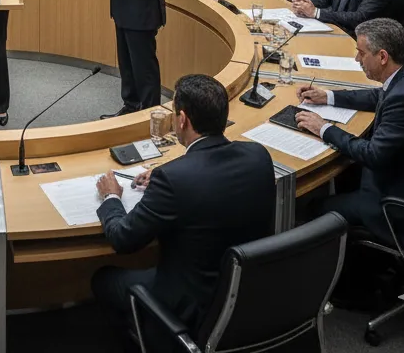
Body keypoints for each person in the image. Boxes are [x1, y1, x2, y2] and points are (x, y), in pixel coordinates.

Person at [92, 74, 275, 338]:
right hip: (246, 292)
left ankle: (148, 339)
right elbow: (211, 174)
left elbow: (123, 239)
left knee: (103, 280)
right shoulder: (258, 155)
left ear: (182, 120)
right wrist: (166, 171)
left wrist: (111, 197)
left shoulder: (174, 180)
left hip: (193, 306)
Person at [297, 18, 404, 253]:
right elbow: (380, 96)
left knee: (313, 205)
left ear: (383, 56)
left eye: (361, 53)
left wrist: (323, 128)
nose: (357, 60)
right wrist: (328, 96)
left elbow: (374, 154)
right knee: (341, 174)